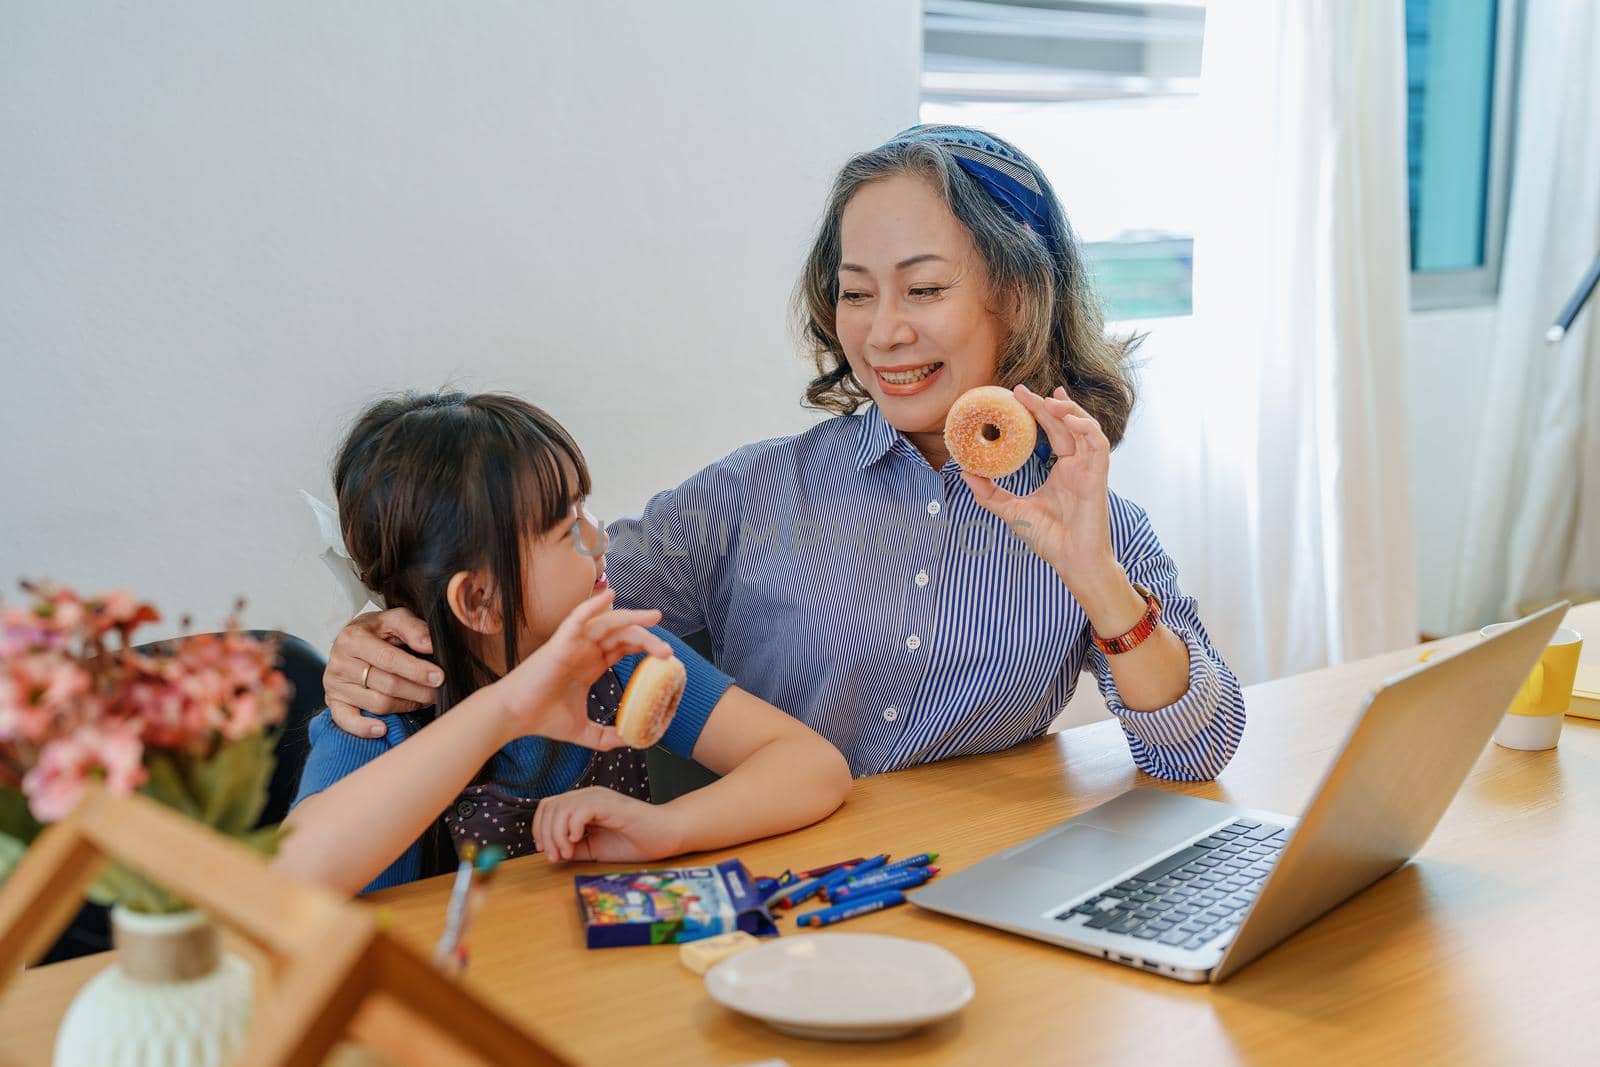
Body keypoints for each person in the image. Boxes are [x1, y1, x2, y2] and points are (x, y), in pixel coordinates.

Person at [318, 125, 1245, 784]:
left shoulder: (1093, 525)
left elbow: (1196, 750)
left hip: (965, 877)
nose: (882, 332)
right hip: (756, 892)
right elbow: (527, 610)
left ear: (1019, 294)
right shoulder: (754, 496)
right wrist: (378, 634)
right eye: (854, 293)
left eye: (923, 287)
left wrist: (1096, 579)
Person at [275, 392, 850, 895]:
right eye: (565, 528)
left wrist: (668, 827)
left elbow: (814, 767)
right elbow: (289, 881)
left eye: (584, 508)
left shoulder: (619, 655)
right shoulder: (386, 714)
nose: (600, 538)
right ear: (478, 600)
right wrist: (502, 711)